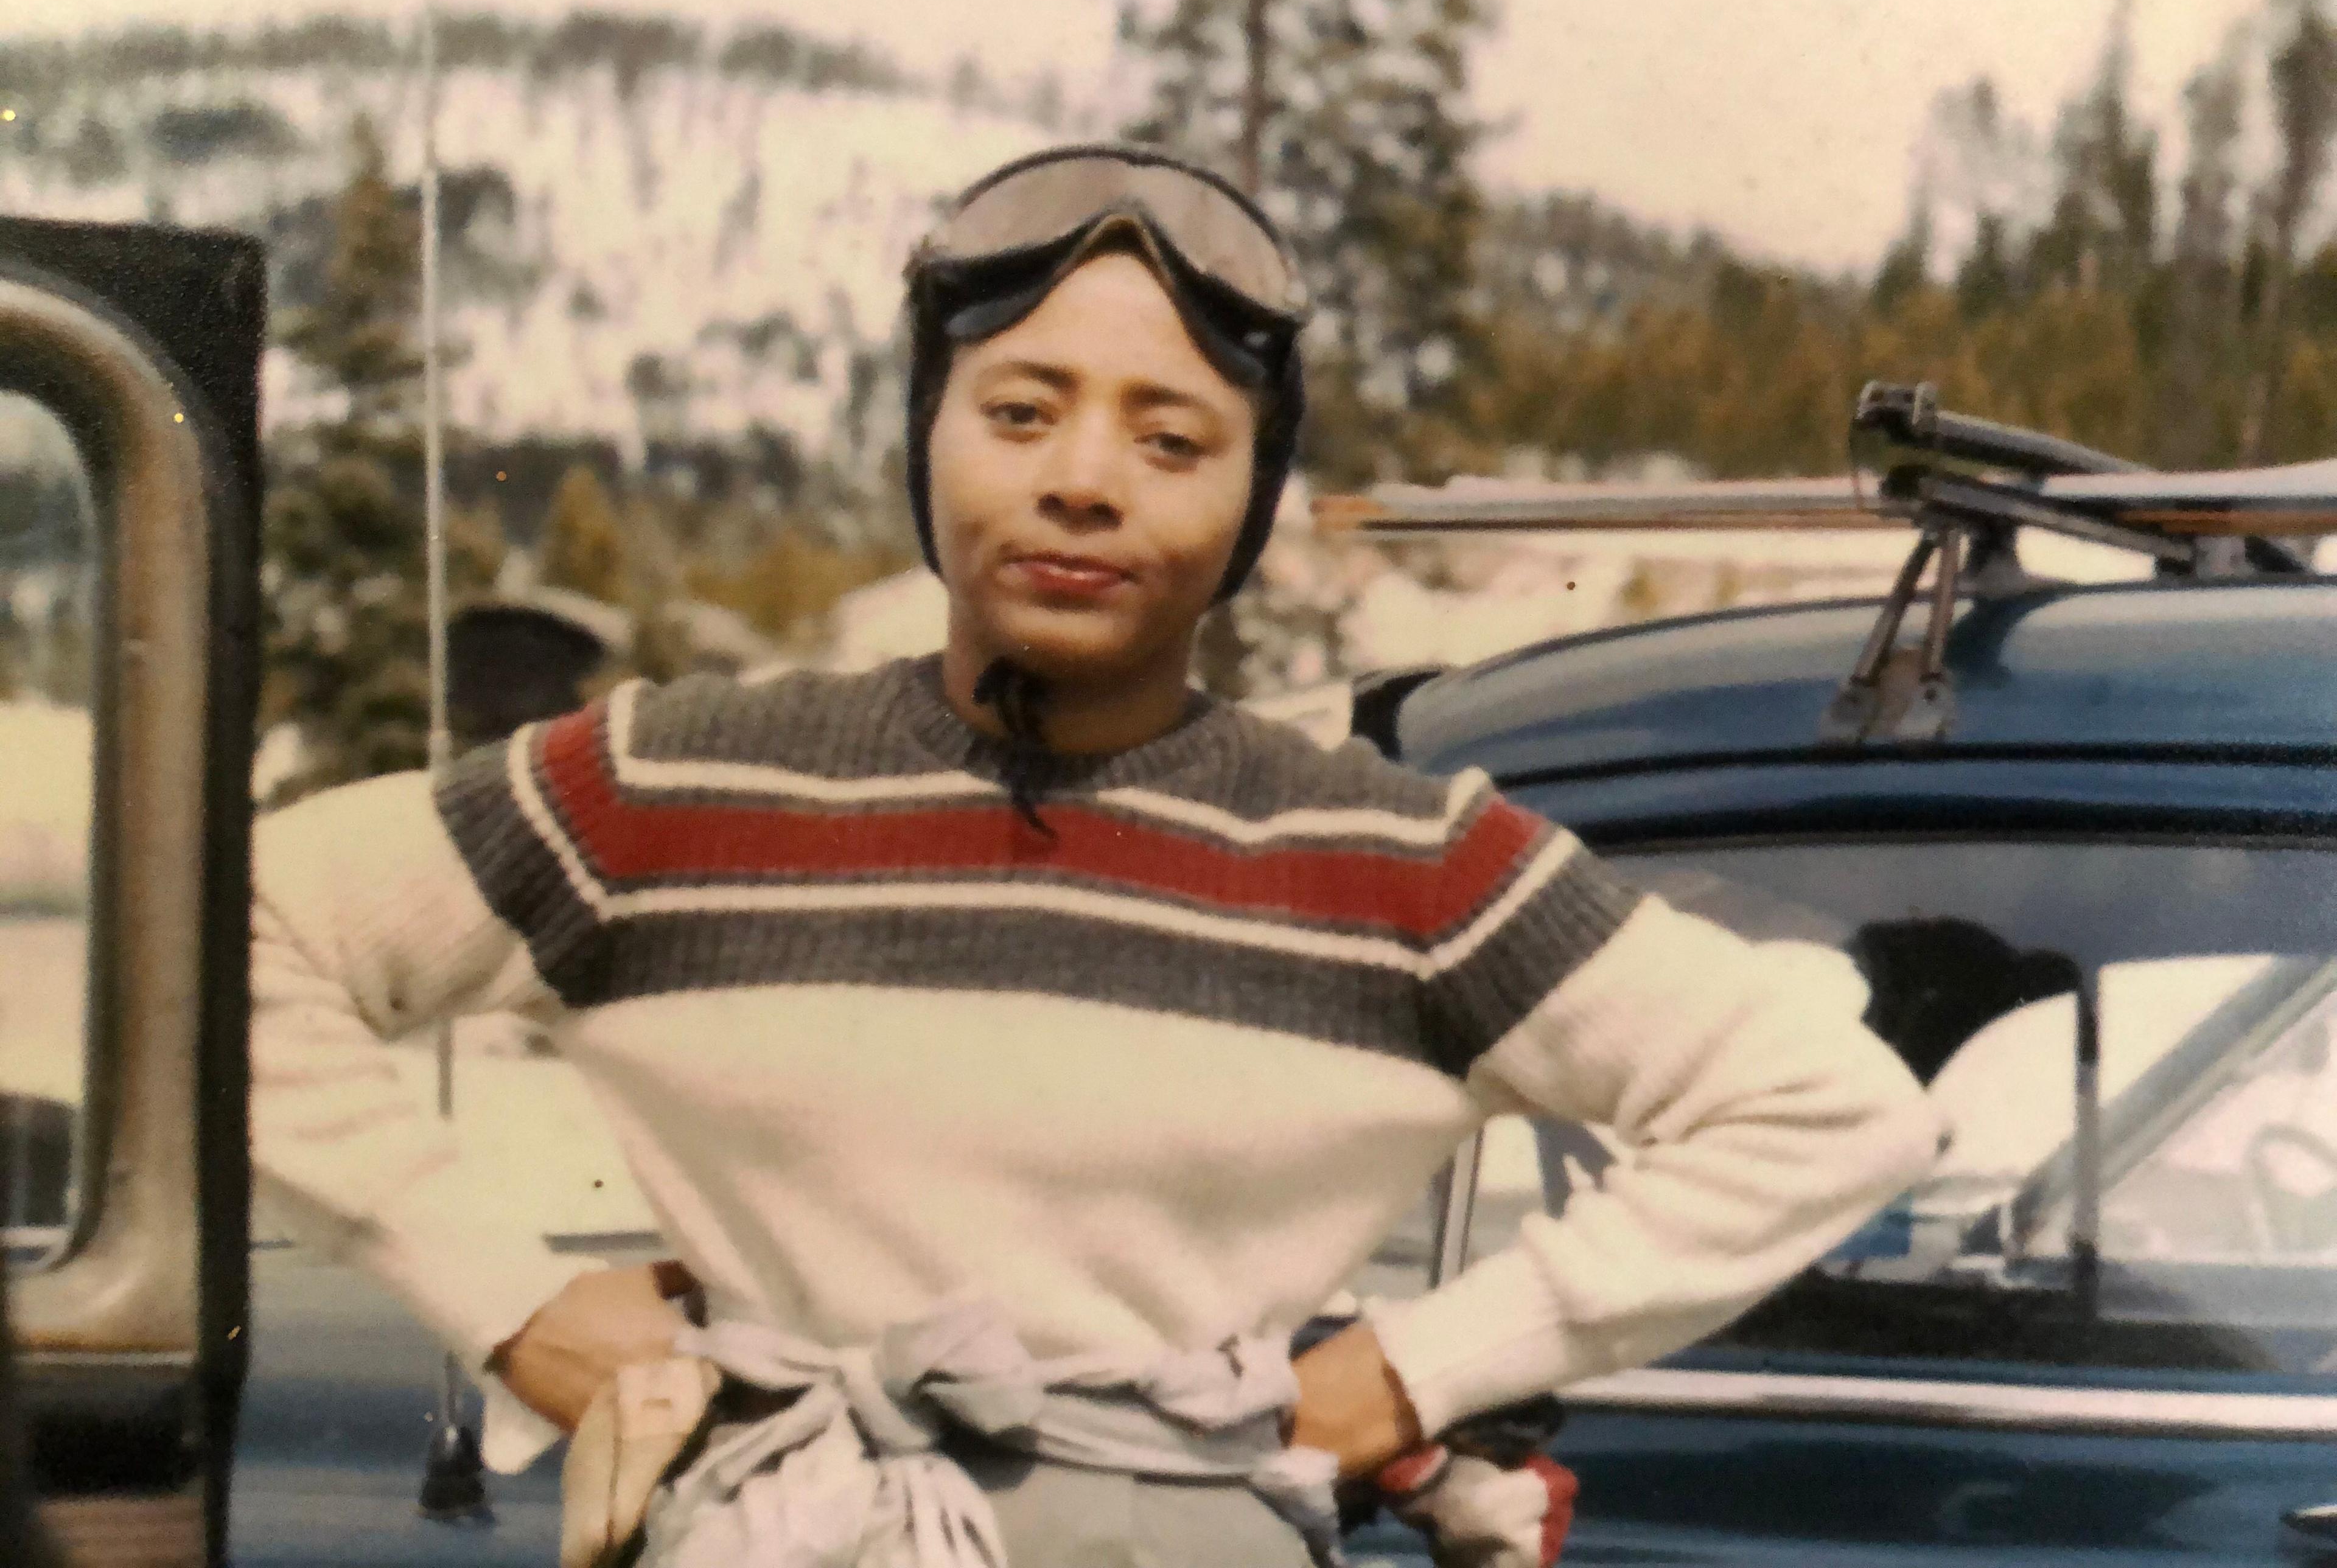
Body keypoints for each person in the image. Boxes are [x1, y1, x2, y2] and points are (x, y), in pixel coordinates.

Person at [247, 144, 1941, 1567]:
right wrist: (510, 1308)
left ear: (1251, 496)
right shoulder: (666, 787)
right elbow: (231, 931)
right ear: (929, 438)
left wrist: (1411, 1379)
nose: (1081, 484)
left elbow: (1828, 1105)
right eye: (1022, 411)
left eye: (1170, 438)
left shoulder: (1403, 860)